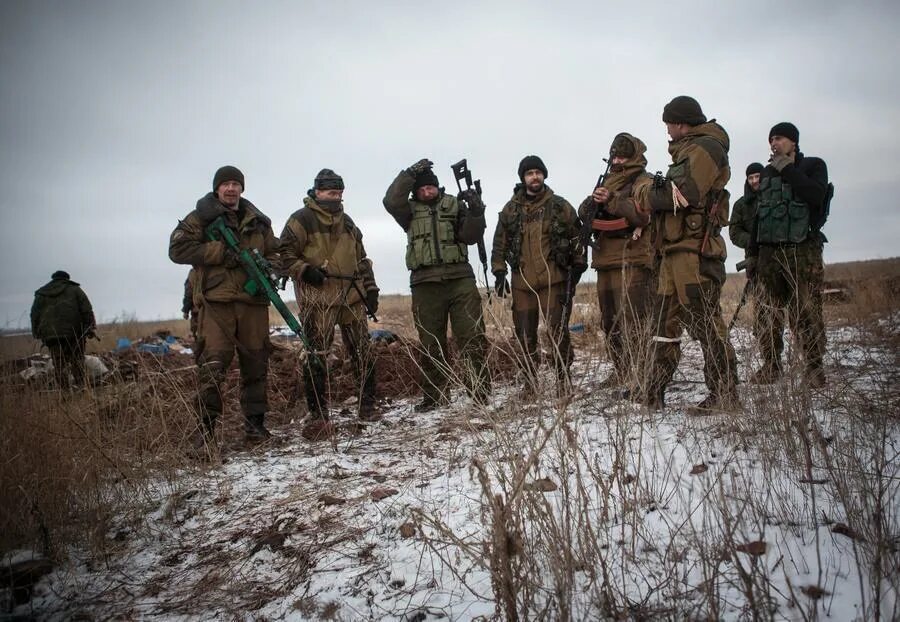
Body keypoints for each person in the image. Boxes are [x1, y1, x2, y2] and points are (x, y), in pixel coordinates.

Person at [168, 165, 279, 447]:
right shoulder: (200, 219)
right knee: (213, 367)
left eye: (236, 184)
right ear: (217, 188)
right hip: (216, 304)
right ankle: (204, 435)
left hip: (253, 304)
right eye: (226, 184)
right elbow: (177, 249)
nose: (231, 189)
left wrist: (272, 269)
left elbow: (276, 252)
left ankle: (255, 428)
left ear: (242, 188)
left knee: (256, 364)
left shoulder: (258, 221)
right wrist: (220, 253)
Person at [644, 96, 739, 412]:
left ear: (681, 123)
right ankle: (654, 390)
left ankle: (725, 394)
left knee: (705, 323)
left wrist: (644, 192)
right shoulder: (688, 150)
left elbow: (681, 194)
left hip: (694, 254)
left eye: (669, 124)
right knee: (662, 326)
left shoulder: (706, 148)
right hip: (674, 252)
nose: (667, 131)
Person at [383, 158, 490, 412]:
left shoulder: (454, 204)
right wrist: (409, 173)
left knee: (472, 336)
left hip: (460, 280)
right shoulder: (407, 212)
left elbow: (472, 236)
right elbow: (390, 201)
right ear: (415, 191)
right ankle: (436, 395)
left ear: (438, 187)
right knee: (431, 343)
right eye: (421, 188)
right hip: (424, 284)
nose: (427, 192)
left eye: (430, 187)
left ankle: (479, 391)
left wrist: (477, 212)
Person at [280, 169, 380, 425]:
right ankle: (318, 414)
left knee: (363, 351)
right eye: (329, 192)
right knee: (316, 355)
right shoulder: (300, 220)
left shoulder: (348, 223)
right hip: (318, 300)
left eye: (338, 193)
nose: (334, 198)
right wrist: (305, 271)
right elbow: (285, 256)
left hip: (352, 298)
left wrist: (371, 290)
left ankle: (368, 405)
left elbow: (362, 260)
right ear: (316, 192)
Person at [491, 155, 585, 392]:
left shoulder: (560, 206)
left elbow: (578, 239)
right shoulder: (510, 210)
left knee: (557, 331)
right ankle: (529, 382)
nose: (534, 176)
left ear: (544, 175)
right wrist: (499, 273)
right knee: (524, 334)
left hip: (554, 281)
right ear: (523, 178)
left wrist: (577, 270)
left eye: (538, 172)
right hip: (522, 284)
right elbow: (499, 244)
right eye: (529, 173)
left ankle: (564, 379)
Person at [749, 122, 830, 387]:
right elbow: (759, 215)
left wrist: (788, 168)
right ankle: (771, 366)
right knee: (767, 314)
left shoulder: (813, 166)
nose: (774, 143)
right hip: (769, 254)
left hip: (801, 251)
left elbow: (815, 195)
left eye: (780, 138)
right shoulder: (768, 173)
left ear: (793, 142)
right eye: (771, 139)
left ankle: (814, 369)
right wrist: (752, 254)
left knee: (806, 311)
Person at [577, 134, 655, 391]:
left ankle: (643, 373)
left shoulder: (643, 181)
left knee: (634, 320)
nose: (617, 160)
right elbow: (586, 213)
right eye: (614, 155)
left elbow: (641, 215)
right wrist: (591, 203)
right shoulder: (608, 180)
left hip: (632, 257)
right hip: (605, 260)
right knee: (610, 321)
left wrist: (611, 199)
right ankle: (621, 370)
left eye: (622, 155)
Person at [728, 162, 771, 380]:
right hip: (757, 265)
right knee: (764, 315)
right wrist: (753, 242)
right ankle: (771, 364)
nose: (754, 181)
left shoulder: (774, 197)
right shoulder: (741, 205)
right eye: (750, 178)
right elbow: (734, 232)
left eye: (757, 176)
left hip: (780, 261)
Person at [30, 270, 96, 389]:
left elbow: (34, 315)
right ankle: (81, 387)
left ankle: (65, 391)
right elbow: (87, 310)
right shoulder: (75, 290)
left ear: (53, 278)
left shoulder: (42, 293)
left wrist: (37, 333)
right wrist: (90, 328)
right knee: (77, 361)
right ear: (67, 279)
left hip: (52, 337)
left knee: (59, 364)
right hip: (74, 334)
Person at [181, 267, 199, 339]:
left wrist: (186, 311)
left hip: (199, 312)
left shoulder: (194, 272)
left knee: (199, 336)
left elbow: (188, 293)